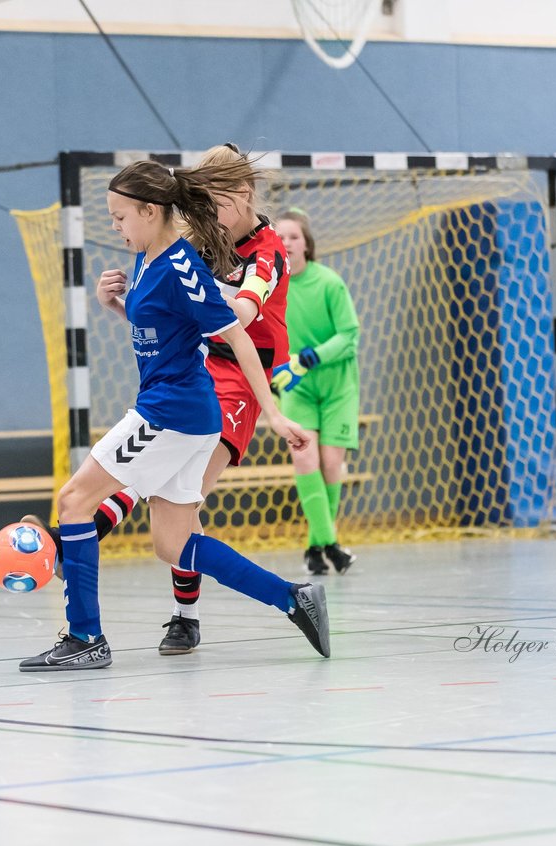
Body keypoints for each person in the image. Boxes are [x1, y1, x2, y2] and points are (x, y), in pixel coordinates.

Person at [18, 158, 330, 672]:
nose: (115, 227)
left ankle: (85, 636)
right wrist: (116, 306)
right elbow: (162, 333)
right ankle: (293, 598)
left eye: (120, 217)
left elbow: (233, 331)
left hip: (171, 411)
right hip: (186, 413)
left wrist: (273, 413)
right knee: (174, 543)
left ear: (149, 209)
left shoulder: (182, 266)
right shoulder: (147, 256)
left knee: (73, 499)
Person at [271, 209, 361, 575]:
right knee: (304, 461)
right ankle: (332, 546)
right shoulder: (271, 288)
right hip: (298, 389)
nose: (286, 242)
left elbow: (349, 336)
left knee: (330, 465)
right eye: (279, 237)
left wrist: (312, 357)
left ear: (307, 243)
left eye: (293, 236)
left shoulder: (330, 283)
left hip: (338, 386)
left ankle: (315, 546)